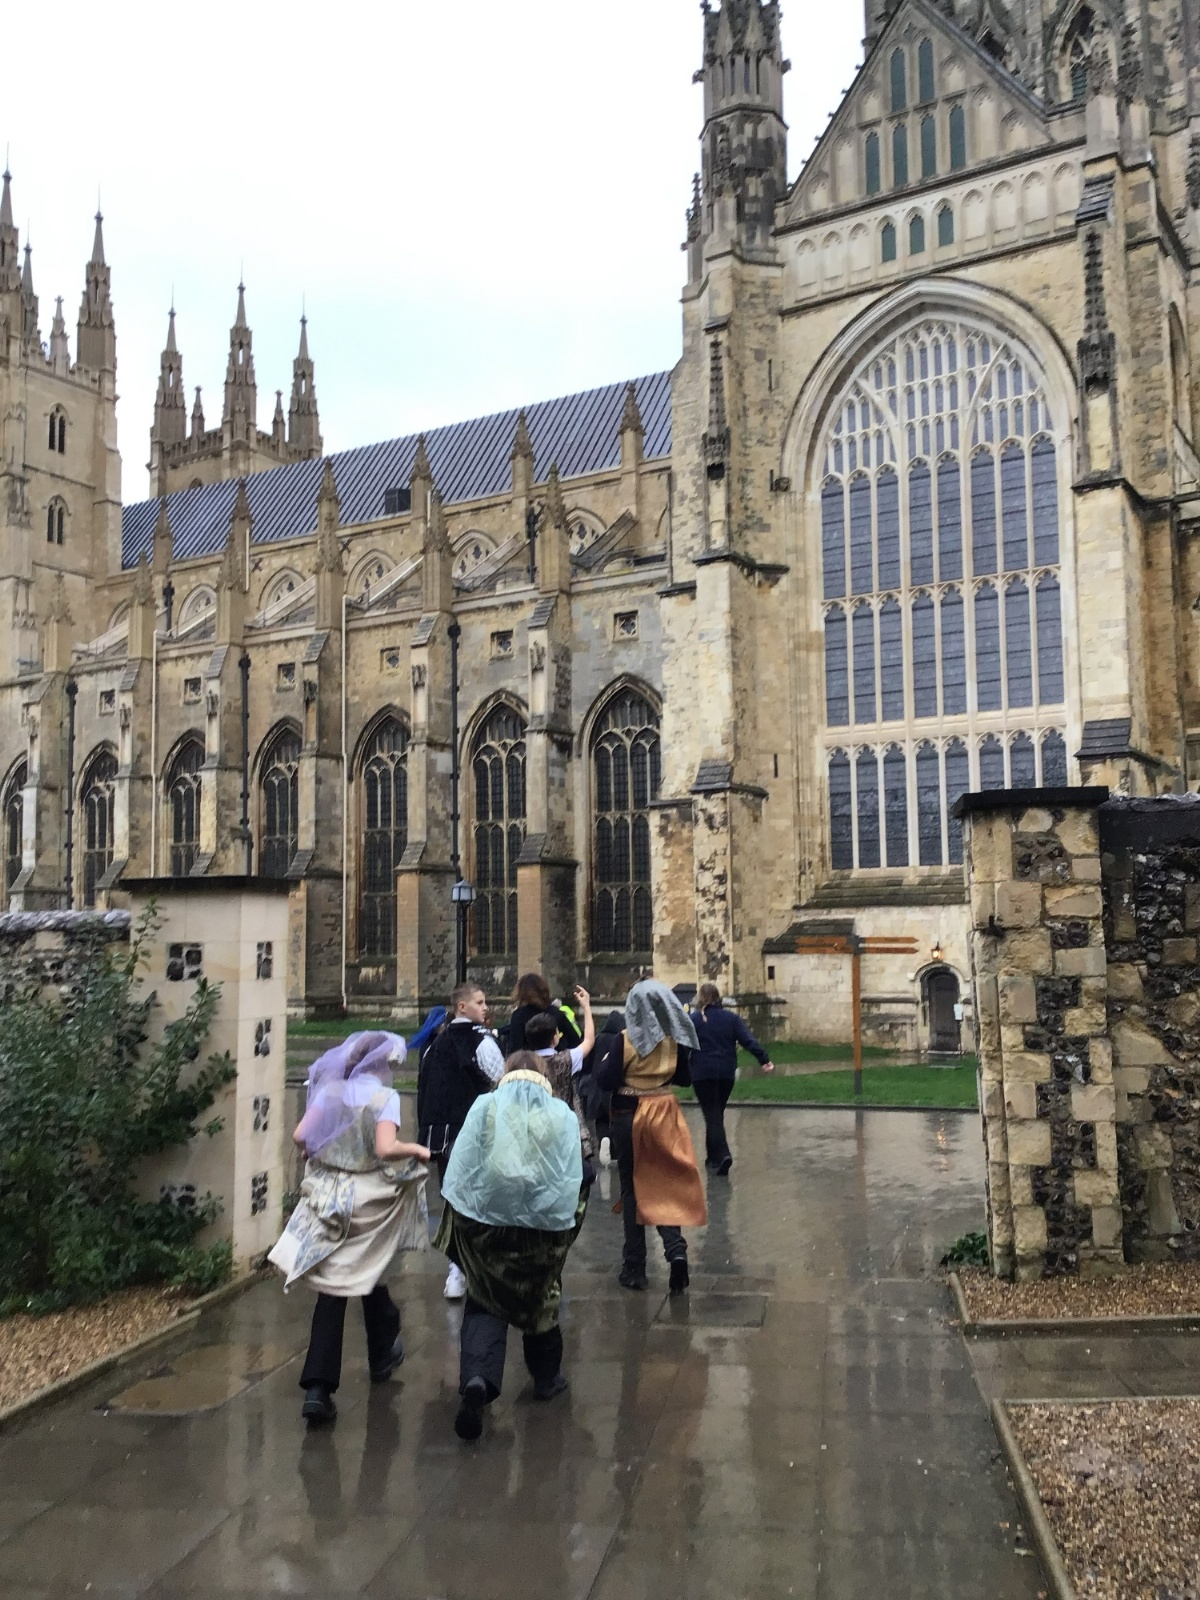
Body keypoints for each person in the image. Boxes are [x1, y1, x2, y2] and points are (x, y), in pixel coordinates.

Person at [269, 1032, 430, 1425]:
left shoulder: (330, 1092)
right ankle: (368, 1356)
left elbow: (300, 1135)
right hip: (365, 1197)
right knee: (361, 1271)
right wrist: (416, 1149)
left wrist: (316, 1150)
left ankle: (327, 1383)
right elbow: (385, 1149)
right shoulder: (384, 1098)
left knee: (339, 1282)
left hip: (329, 1195)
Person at [436, 1050, 586, 1441]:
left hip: (488, 1226)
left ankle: (478, 1379)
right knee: (540, 1297)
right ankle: (546, 1378)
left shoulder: (485, 1107)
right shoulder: (560, 1114)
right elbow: (573, 1173)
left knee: (484, 1298)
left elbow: (463, 1164)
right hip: (539, 1229)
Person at [595, 979, 707, 1296]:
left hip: (630, 1113)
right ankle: (675, 1249)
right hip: (664, 1112)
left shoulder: (626, 1039)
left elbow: (606, 1080)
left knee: (632, 1188)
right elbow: (684, 1078)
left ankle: (634, 1268)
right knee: (665, 1183)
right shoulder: (673, 1039)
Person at [418, 982, 506, 1300]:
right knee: (481, 1202)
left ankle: (456, 1270)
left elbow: (425, 1092)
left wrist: (427, 1135)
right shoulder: (482, 1042)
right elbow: (501, 1082)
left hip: (441, 1137)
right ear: (461, 1007)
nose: (485, 1007)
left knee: (454, 1201)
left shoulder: (433, 1046)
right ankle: (477, 1269)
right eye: (479, 1002)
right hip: (475, 1134)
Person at [689, 984, 775, 1175]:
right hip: (726, 1072)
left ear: (700, 998)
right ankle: (712, 1158)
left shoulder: (694, 1020)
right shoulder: (731, 1018)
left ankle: (723, 1155)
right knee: (715, 1114)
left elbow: (682, 1046)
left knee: (712, 1114)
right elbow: (748, 1040)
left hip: (703, 1073)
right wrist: (763, 1059)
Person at [524, 987, 597, 1171]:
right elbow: (589, 1040)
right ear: (555, 1038)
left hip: (533, 1130)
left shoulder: (524, 1064)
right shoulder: (566, 1059)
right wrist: (586, 1006)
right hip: (564, 1127)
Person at [506, 972, 583, 1053]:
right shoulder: (556, 1012)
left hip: (529, 1059)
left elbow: (515, 1048)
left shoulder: (518, 1016)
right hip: (556, 1058)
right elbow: (575, 1041)